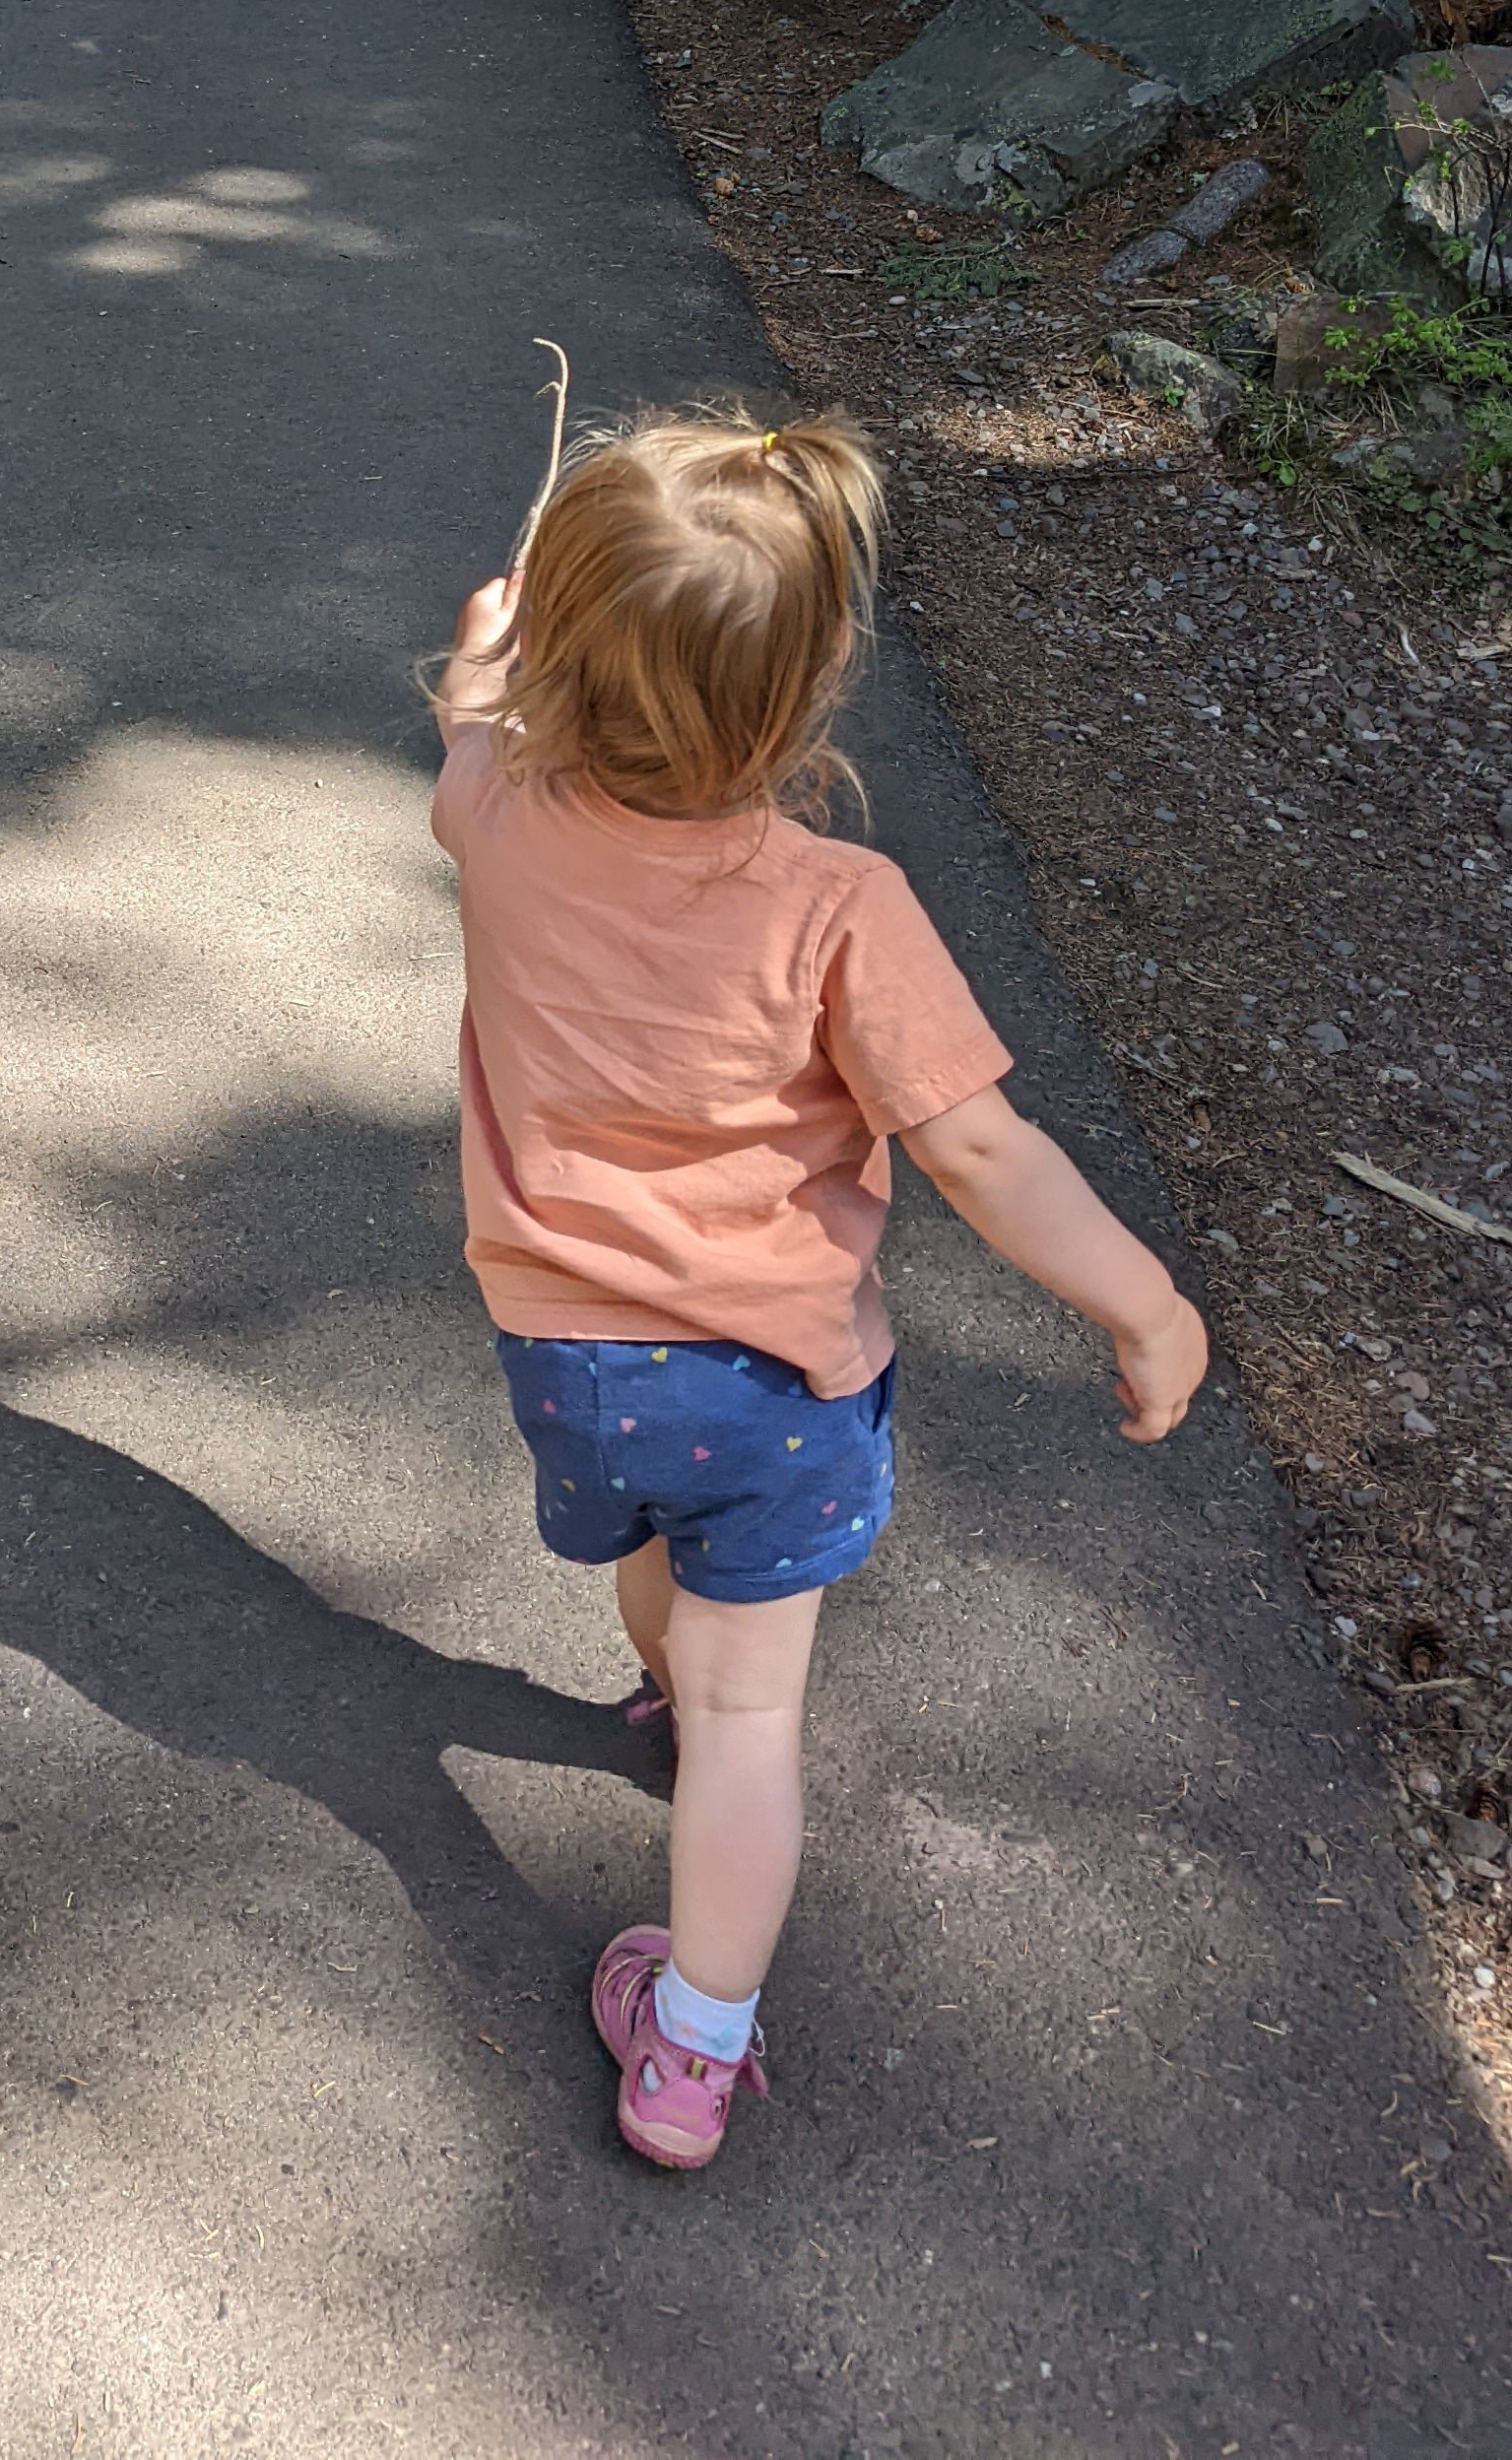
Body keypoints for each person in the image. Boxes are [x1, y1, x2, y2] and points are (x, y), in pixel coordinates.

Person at [427, 412, 1206, 2165]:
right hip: (777, 1389)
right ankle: (695, 2051)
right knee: (751, 1708)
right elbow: (983, 1152)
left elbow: (465, 738)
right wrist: (1150, 1305)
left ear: (558, 643)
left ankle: (661, 1687)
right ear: (812, 687)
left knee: (652, 1568)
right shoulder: (843, 906)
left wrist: (486, 668)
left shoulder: (498, 811)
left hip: (567, 1361)